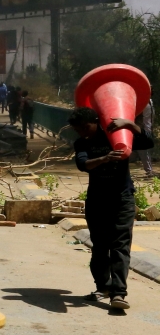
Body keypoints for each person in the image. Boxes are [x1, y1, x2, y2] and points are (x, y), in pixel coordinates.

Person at [70, 106, 154, 311]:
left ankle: (119, 293)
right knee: (100, 246)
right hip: (97, 200)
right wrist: (105, 159)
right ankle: (103, 286)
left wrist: (130, 124)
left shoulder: (118, 134)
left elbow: (147, 142)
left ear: (96, 121)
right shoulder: (82, 143)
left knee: (120, 245)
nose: (82, 131)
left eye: (85, 127)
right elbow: (83, 164)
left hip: (122, 198)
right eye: (78, 129)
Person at [136, 99, 154, 177]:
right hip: (146, 128)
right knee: (144, 151)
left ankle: (149, 171)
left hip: (143, 129)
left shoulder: (145, 102)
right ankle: (149, 171)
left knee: (143, 150)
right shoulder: (149, 101)